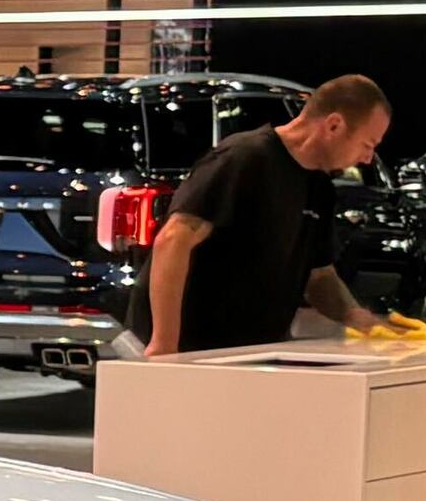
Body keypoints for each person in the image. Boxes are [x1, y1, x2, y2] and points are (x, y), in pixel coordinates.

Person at [144, 75, 390, 355]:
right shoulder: (245, 158)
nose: (368, 158)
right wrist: (164, 342)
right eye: (368, 144)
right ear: (334, 125)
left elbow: (319, 276)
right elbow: (173, 240)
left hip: (254, 351)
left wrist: (359, 319)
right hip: (195, 348)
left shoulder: (319, 187)